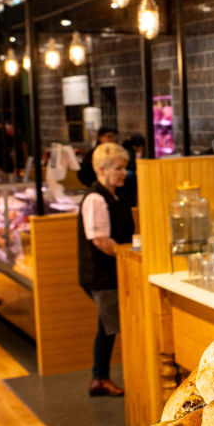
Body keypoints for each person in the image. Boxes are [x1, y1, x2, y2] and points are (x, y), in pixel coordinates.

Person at [78, 142, 133, 397]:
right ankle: (99, 378)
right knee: (109, 327)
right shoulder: (96, 199)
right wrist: (126, 255)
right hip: (102, 276)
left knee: (106, 327)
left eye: (125, 167)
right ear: (101, 169)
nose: (124, 173)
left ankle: (99, 378)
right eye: (119, 168)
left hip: (112, 273)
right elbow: (100, 240)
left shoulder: (115, 195)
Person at [119, 133, 145, 206]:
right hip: (128, 183)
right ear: (135, 146)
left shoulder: (127, 151)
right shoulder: (129, 153)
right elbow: (130, 168)